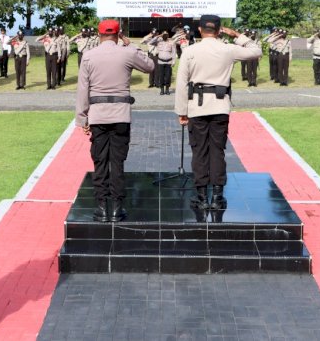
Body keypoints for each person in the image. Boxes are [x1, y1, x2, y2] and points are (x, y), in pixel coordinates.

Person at [174, 16, 262, 215]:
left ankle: (202, 196)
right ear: (220, 29)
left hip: (197, 107)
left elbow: (181, 83)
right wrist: (237, 35)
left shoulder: (189, 51)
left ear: (199, 29)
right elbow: (256, 50)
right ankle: (217, 196)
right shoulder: (227, 48)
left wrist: (181, 111)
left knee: (199, 152)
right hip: (220, 106)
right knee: (217, 151)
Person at [75, 19, 154, 222]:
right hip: (120, 115)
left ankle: (102, 207)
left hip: (98, 115)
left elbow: (83, 89)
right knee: (117, 162)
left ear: (100, 35)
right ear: (118, 34)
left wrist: (82, 118)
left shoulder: (89, 56)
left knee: (100, 161)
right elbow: (150, 66)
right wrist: (130, 45)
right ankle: (117, 207)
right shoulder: (127, 52)